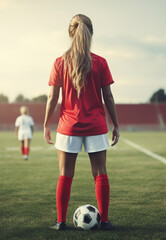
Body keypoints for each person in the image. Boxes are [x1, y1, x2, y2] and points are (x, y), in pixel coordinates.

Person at [43, 14, 119, 231]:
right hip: (96, 125)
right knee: (100, 173)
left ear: (70, 32)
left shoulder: (59, 62)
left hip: (68, 127)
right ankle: (104, 222)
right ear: (91, 33)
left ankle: (60, 222)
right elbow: (109, 98)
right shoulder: (101, 62)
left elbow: (52, 98)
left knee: (65, 175)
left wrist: (46, 124)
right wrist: (116, 124)